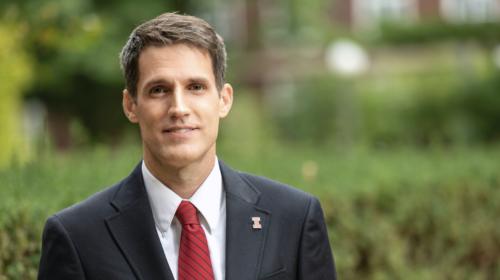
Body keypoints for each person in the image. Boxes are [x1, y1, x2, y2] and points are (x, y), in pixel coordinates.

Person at [38, 12, 336, 280]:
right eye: (159, 90)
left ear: (223, 100)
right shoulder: (77, 237)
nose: (179, 108)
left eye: (195, 87)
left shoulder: (294, 219)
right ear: (131, 105)